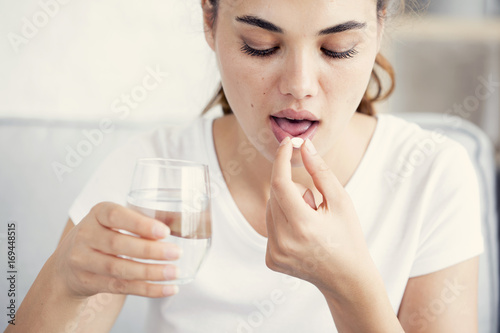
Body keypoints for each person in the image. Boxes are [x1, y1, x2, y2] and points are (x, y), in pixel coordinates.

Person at [7, 0, 484, 332]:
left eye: (336, 49)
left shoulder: (432, 174)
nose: (299, 86)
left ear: (379, 26)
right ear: (209, 20)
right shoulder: (152, 172)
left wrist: (348, 287)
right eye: (260, 45)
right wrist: (64, 282)